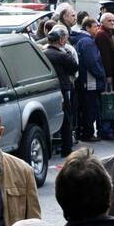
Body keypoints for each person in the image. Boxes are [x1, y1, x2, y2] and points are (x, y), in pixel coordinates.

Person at [43, 27, 77, 158]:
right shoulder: (62, 55)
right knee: (66, 118)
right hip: (62, 88)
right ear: (61, 40)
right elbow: (74, 67)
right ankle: (66, 149)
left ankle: (49, 150)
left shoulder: (43, 54)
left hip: (47, 89)